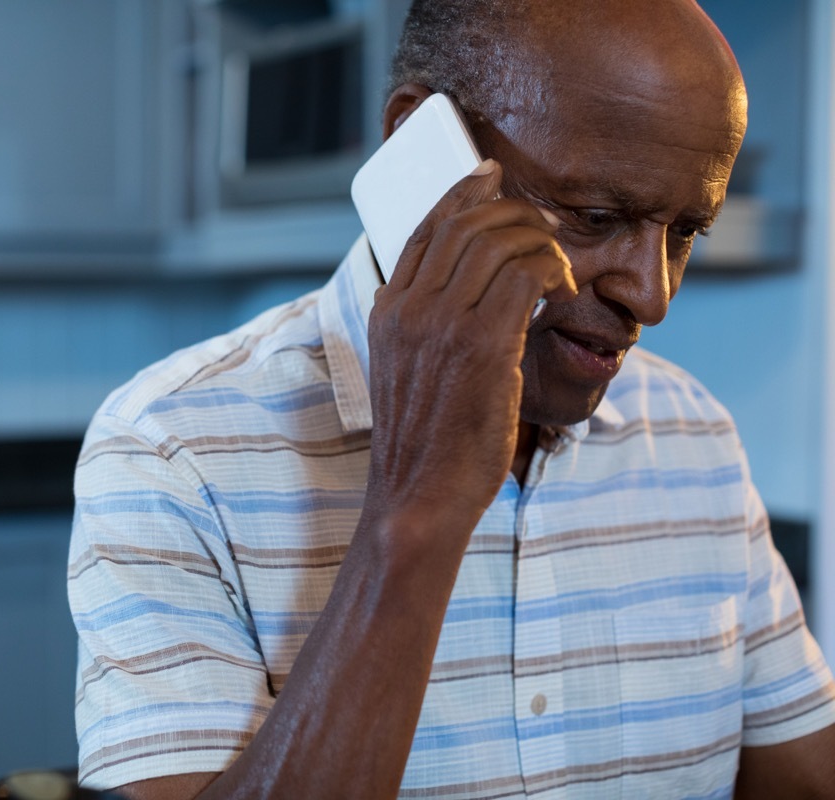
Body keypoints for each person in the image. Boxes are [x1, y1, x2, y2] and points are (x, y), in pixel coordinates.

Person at [68, 1, 835, 797]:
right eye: (598, 216)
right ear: (420, 147)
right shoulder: (170, 451)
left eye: (685, 233)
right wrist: (419, 506)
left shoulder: (693, 434)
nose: (652, 295)